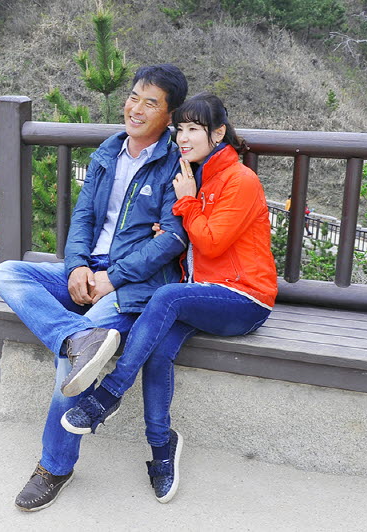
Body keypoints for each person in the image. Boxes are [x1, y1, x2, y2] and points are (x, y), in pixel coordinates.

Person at [59, 92, 278, 503]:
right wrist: (179, 216)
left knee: (167, 297)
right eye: (180, 129)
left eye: (194, 129)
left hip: (244, 298)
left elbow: (211, 242)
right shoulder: (195, 174)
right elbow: (189, 241)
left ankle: (108, 395)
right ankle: (162, 448)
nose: (183, 138)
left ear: (218, 134)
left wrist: (187, 203)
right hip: (200, 294)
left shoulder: (239, 179)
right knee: (158, 353)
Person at [0, 64, 190, 511]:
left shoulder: (174, 164)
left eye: (150, 103)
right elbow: (83, 217)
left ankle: (54, 467)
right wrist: (77, 266)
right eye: (134, 97)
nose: (136, 108)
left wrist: (111, 278)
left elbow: (172, 239)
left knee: (73, 364)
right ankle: (73, 334)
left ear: (169, 115)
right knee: (7, 273)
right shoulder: (108, 151)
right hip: (89, 269)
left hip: (130, 284)